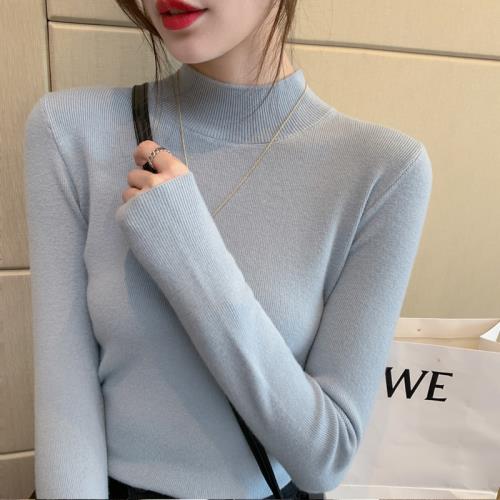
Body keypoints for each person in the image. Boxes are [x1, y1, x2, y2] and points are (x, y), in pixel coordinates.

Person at [23, 0, 433, 498]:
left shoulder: (383, 171)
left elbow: (326, 457)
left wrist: (188, 251)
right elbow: (65, 406)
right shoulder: (69, 131)